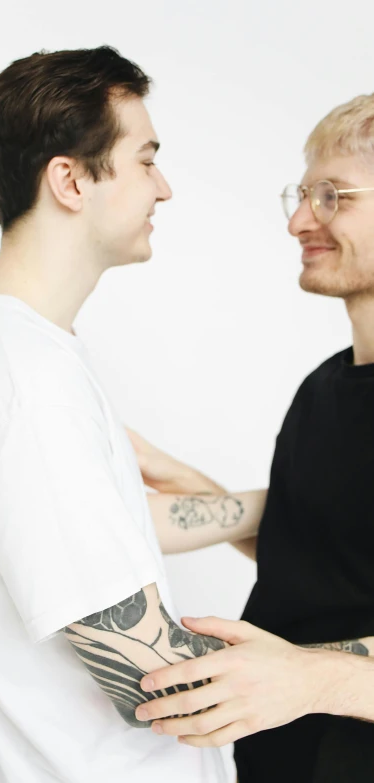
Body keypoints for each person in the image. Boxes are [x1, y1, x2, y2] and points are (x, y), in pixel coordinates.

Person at [0, 45, 245, 783]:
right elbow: (155, 681)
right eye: (145, 159)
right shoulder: (23, 387)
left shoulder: (6, 348)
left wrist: (262, 510)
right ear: (70, 179)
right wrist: (347, 668)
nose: (164, 188)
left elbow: (87, 543)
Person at [126, 94, 374, 783]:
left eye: (332, 196)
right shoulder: (323, 389)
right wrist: (186, 486)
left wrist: (313, 680)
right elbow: (333, 549)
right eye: (301, 194)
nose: (300, 220)